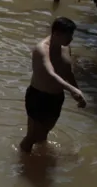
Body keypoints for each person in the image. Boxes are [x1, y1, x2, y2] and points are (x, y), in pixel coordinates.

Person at [20, 17, 87, 153]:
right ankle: (22, 161)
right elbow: (51, 73)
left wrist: (77, 92)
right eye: (68, 36)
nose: (71, 39)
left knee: (44, 133)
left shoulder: (66, 48)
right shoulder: (41, 49)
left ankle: (40, 159)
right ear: (56, 34)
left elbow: (68, 72)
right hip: (38, 97)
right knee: (32, 136)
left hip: (56, 97)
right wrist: (71, 89)